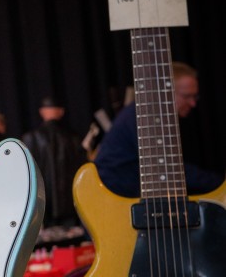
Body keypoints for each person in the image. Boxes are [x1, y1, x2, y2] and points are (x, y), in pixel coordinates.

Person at [94, 62, 223, 197]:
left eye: (195, 96)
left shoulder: (148, 113)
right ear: (165, 91)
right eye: (186, 96)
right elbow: (168, 168)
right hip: (115, 196)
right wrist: (219, 184)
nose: (193, 103)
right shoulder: (145, 117)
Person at [22, 96, 87, 227]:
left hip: (42, 205)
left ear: (42, 112)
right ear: (61, 112)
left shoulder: (30, 138)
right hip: (71, 203)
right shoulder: (73, 138)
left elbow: (24, 174)